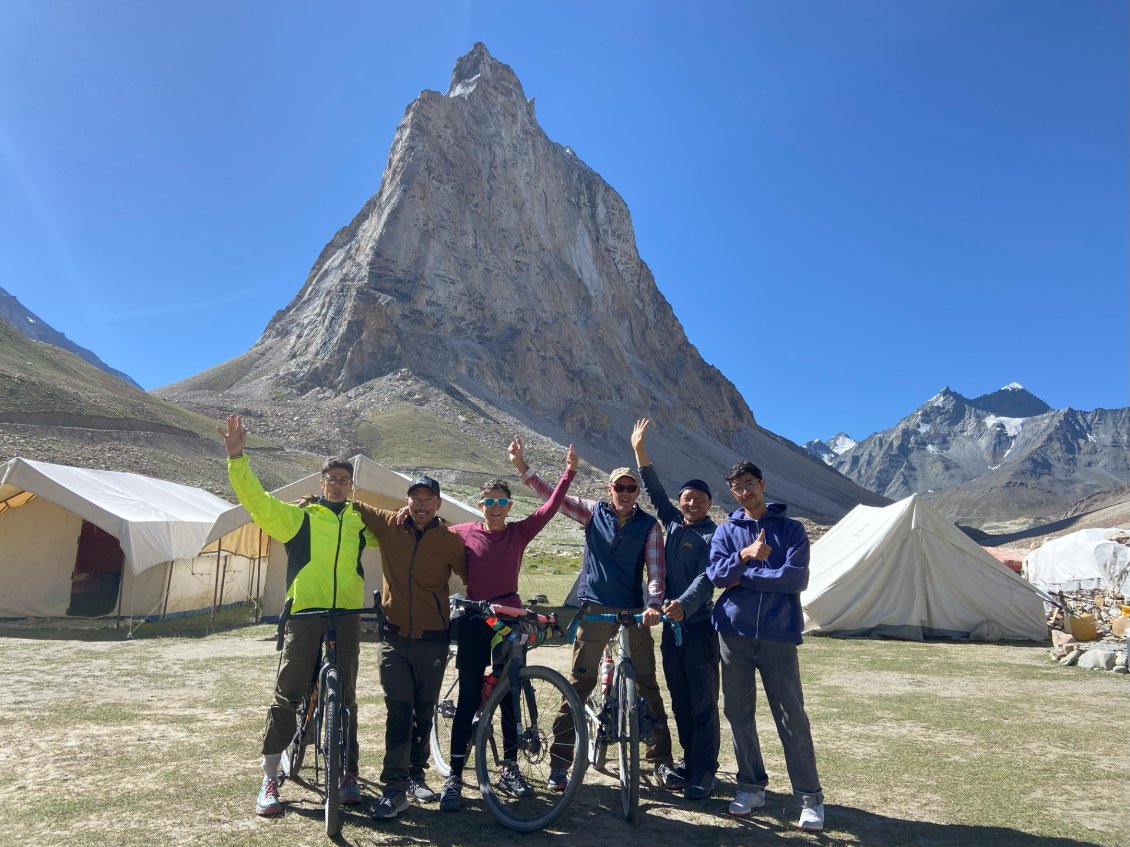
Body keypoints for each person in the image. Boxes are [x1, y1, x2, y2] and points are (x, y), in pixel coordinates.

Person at [218, 414, 376, 817]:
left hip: (346, 615)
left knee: (349, 700)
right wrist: (238, 460)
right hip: (306, 614)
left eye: (345, 480)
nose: (339, 485)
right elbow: (258, 504)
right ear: (321, 483)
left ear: (351, 486)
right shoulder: (301, 517)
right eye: (332, 479)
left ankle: (348, 775)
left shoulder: (361, 522)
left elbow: (400, 533)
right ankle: (270, 776)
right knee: (287, 695)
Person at [509, 435, 671, 790]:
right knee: (579, 685)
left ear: (637, 492)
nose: (626, 493)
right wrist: (521, 465)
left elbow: (656, 572)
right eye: (620, 487)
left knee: (646, 684)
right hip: (595, 609)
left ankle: (662, 761)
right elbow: (552, 497)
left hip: (632, 611)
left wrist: (655, 604)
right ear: (608, 488)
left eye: (631, 488)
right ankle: (560, 765)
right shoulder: (591, 511)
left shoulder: (650, 526)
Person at [437, 443, 578, 811]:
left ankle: (509, 767)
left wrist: (568, 473)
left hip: (510, 617)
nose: (496, 508)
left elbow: (550, 508)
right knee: (469, 695)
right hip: (474, 616)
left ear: (510, 507)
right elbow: (429, 535)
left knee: (510, 693)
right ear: (481, 506)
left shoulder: (518, 532)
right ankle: (454, 775)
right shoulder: (462, 532)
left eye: (502, 502)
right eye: (490, 503)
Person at [707, 460, 824, 832]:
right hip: (733, 635)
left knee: (791, 716)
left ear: (763, 483)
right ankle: (750, 786)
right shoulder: (726, 532)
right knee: (738, 713)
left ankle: (808, 797)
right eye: (738, 486)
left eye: (751, 483)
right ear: (732, 491)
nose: (746, 491)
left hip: (777, 636)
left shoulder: (791, 530)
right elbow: (717, 575)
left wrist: (746, 576)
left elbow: (795, 579)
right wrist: (743, 556)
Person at [355, 475, 468, 820]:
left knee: (423, 711)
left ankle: (417, 775)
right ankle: (394, 787)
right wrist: (317, 497)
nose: (420, 505)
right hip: (393, 636)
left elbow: (473, 577)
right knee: (398, 711)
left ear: (438, 503)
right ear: (407, 501)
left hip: (433, 638)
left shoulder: (450, 541)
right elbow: (354, 503)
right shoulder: (390, 524)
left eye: (428, 499)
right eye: (415, 498)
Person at [630, 418, 720, 801]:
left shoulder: (715, 535)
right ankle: (688, 759)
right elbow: (653, 490)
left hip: (698, 627)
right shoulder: (672, 522)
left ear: (709, 504)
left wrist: (683, 605)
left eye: (700, 497)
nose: (692, 500)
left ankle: (705, 770)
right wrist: (640, 451)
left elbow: (709, 577)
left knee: (703, 701)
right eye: (688, 495)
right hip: (672, 629)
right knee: (680, 697)